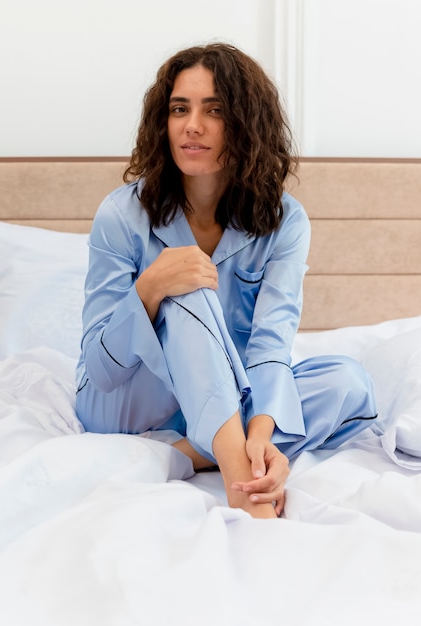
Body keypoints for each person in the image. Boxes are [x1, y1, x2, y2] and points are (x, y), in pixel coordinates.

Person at [75, 42, 377, 519]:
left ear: (245, 124)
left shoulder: (285, 222)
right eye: (180, 109)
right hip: (129, 398)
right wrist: (149, 289)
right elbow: (102, 367)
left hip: (229, 398)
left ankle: (201, 451)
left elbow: (270, 345)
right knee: (186, 285)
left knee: (348, 382)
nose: (192, 125)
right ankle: (247, 489)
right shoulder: (120, 214)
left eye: (213, 110)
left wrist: (259, 435)